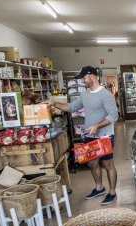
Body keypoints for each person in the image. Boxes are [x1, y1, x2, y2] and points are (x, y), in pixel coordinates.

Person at [46, 66, 119, 205]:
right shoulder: (85, 94)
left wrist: (97, 126)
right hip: (89, 135)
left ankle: (112, 192)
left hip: (104, 136)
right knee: (92, 163)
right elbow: (71, 107)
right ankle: (99, 188)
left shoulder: (106, 95)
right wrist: (54, 103)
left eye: (84, 78)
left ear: (91, 76)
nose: (83, 81)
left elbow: (113, 115)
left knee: (107, 164)